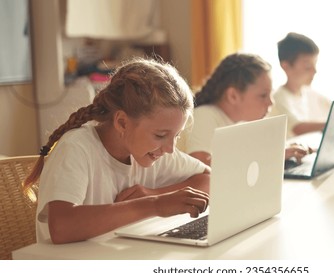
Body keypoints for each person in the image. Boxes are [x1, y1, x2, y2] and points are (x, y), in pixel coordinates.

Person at [23, 58, 210, 244]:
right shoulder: (76, 148)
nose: (170, 149)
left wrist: (154, 193)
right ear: (122, 122)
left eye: (176, 136)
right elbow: (62, 227)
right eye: (161, 135)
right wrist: (154, 205)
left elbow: (208, 179)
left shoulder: (152, 151)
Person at [184, 53, 310, 166]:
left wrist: (285, 151)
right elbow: (202, 166)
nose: (271, 102)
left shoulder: (241, 122)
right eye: (263, 95)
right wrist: (272, 156)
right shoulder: (205, 115)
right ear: (233, 96)